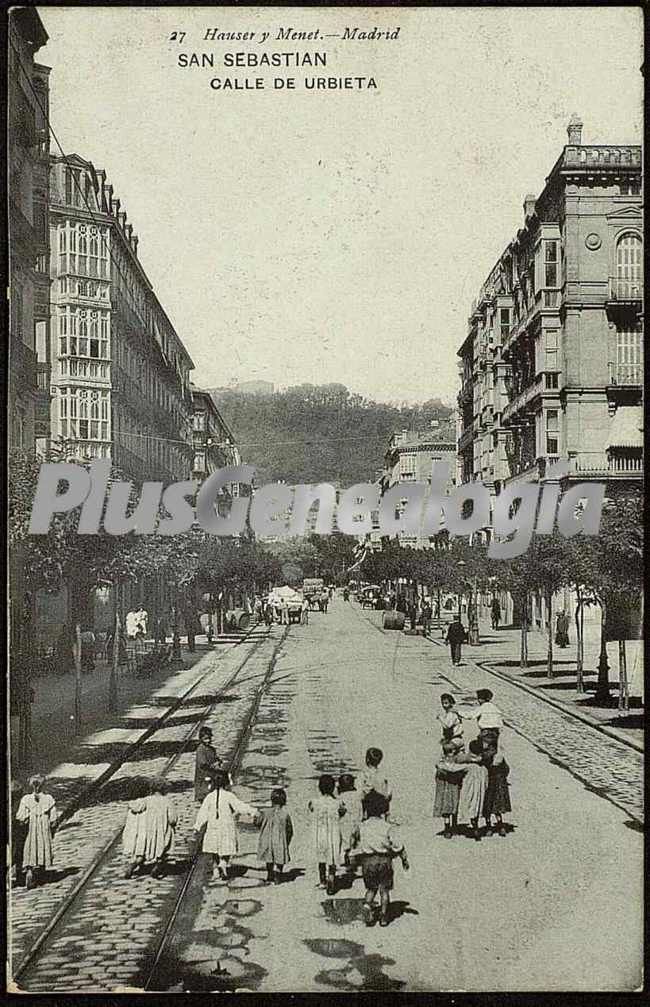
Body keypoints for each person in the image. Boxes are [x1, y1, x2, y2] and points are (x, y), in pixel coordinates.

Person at [350, 790, 409, 928]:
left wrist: (352, 854)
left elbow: (354, 838)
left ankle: (367, 906)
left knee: (371, 889)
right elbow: (397, 845)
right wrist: (404, 859)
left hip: (368, 861)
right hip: (384, 861)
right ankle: (383, 916)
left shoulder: (362, 826)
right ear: (383, 808)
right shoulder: (387, 827)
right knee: (384, 890)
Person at [193, 769, 258, 883]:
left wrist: (197, 826)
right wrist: (252, 811)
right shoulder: (229, 796)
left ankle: (216, 871)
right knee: (226, 847)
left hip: (213, 826)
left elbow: (203, 813)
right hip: (226, 825)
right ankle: (223, 863)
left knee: (214, 849)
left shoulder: (209, 797)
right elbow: (239, 806)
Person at [15, 774, 58, 889]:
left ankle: (29, 870)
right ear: (43, 785)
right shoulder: (49, 799)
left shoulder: (26, 799)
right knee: (43, 845)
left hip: (31, 828)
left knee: (30, 846)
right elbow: (53, 818)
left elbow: (21, 817)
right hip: (44, 827)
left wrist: (24, 821)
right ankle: (40, 870)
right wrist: (52, 824)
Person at [308, 773, 345, 895]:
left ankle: (322, 881)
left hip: (320, 834)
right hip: (333, 834)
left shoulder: (314, 802)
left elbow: (311, 808)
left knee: (321, 858)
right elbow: (342, 812)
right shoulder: (338, 803)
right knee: (332, 857)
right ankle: (331, 878)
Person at [257, 787, 293, 885]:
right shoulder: (285, 814)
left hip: (267, 839)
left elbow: (258, 822)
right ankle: (278, 874)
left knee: (269, 858)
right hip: (280, 840)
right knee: (280, 858)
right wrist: (287, 840)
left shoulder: (265, 812)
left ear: (272, 800)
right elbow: (290, 830)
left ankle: (270, 874)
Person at [456, 738, 489, 841]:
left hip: (470, 788)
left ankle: (473, 827)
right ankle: (476, 826)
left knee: (470, 804)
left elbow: (457, 762)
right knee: (477, 805)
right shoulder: (484, 767)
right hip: (480, 790)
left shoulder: (468, 765)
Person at [433, 739, 465, 837]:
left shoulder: (441, 763)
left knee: (447, 807)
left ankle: (448, 828)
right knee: (453, 805)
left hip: (445, 788)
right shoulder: (456, 761)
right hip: (453, 786)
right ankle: (452, 826)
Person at [482, 738, 512, 837]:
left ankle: (489, 826)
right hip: (498, 783)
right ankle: (500, 825)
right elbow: (506, 769)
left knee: (487, 805)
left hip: (488, 783)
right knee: (497, 805)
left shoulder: (484, 757)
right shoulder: (499, 757)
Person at [122, 778, 150, 878]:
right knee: (141, 853)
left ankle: (138, 864)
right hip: (143, 831)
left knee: (135, 851)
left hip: (132, 832)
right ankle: (132, 866)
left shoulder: (131, 804)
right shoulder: (146, 803)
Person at [337, 773, 363, 873]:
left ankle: (350, 862)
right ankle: (355, 859)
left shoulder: (340, 798)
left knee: (346, 842)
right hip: (357, 821)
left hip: (345, 823)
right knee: (355, 841)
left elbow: (340, 811)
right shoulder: (358, 796)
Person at [359, 747, 392, 818]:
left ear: (367, 759)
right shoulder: (383, 775)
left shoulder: (364, 774)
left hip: (368, 805)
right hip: (381, 804)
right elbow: (389, 793)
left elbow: (360, 792)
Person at [194, 727, 221, 803]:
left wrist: (218, 761)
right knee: (205, 795)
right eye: (205, 739)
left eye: (209, 738)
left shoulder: (212, 749)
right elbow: (202, 763)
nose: (208, 741)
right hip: (203, 776)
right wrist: (213, 765)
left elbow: (215, 757)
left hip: (212, 775)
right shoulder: (200, 749)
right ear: (201, 739)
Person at [10, 779, 28, 881]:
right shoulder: (21, 802)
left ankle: (16, 870)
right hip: (18, 829)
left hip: (14, 828)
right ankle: (17, 870)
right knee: (18, 849)